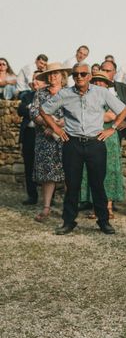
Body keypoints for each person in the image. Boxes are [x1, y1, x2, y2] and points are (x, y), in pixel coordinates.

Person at [39, 62, 126, 235]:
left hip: (95, 143)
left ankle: (103, 222)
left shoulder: (101, 92)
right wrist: (57, 129)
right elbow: (43, 111)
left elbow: (124, 110)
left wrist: (113, 128)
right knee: (72, 185)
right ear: (72, 77)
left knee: (98, 184)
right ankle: (68, 222)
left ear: (89, 76)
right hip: (72, 144)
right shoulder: (65, 94)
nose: (79, 77)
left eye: (82, 74)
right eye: (76, 74)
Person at [79, 72, 126, 219]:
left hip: (109, 137)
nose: (99, 84)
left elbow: (114, 115)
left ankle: (109, 207)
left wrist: (94, 117)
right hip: (93, 137)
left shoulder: (111, 98)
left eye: (102, 82)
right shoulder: (87, 98)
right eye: (96, 81)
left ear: (106, 84)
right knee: (93, 171)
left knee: (110, 170)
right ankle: (96, 207)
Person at [29, 63, 69, 222]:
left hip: (65, 137)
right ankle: (46, 208)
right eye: (50, 74)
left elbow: (76, 114)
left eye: (56, 73)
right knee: (48, 175)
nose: (53, 76)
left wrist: (58, 124)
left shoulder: (69, 93)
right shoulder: (40, 94)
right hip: (45, 140)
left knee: (69, 173)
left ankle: (68, 207)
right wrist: (48, 125)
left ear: (62, 76)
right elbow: (34, 113)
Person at [18, 72, 45, 205]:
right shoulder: (27, 95)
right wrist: (31, 108)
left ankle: (48, 198)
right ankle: (32, 196)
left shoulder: (49, 96)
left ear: (44, 82)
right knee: (29, 166)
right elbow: (20, 110)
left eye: (38, 79)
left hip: (44, 134)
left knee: (45, 165)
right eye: (33, 79)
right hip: (29, 134)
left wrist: (31, 108)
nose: (34, 81)